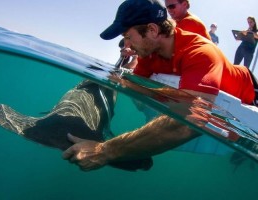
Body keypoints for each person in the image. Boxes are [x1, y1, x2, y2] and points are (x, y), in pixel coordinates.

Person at [62, 0, 256, 171]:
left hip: (250, 93)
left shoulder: (201, 52)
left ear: (152, 30)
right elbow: (136, 89)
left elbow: (187, 123)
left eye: (128, 36)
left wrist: (105, 151)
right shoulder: (149, 55)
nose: (127, 45)